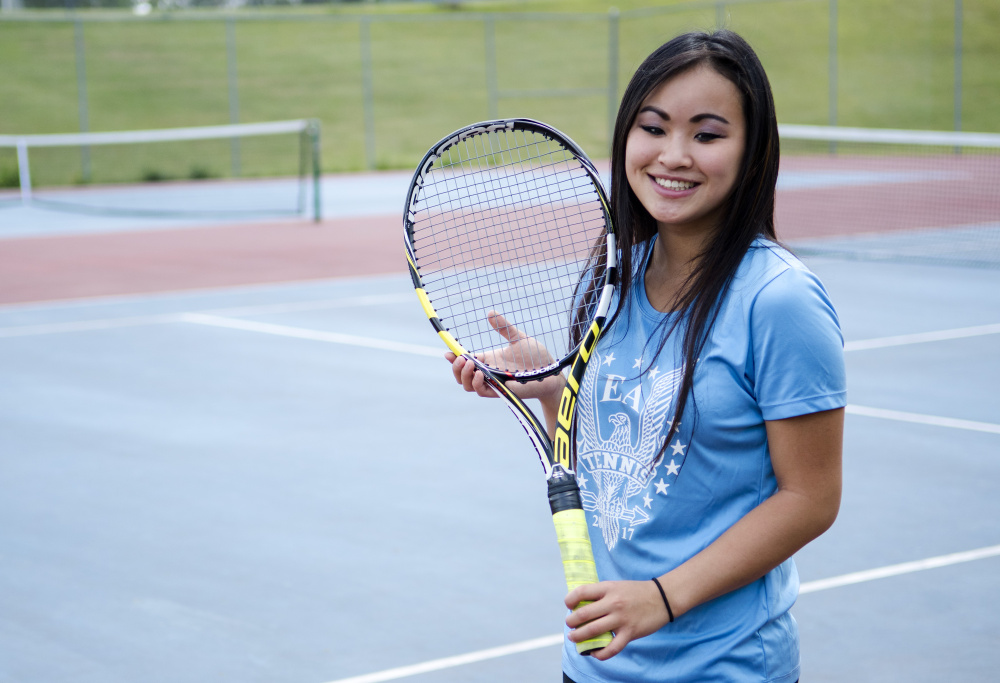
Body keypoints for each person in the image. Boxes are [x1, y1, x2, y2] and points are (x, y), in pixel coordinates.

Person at [447, 29, 845, 683]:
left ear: (751, 151)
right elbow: (606, 464)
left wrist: (661, 597)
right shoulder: (615, 277)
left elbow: (810, 497)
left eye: (708, 134)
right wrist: (550, 387)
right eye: (653, 127)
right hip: (597, 663)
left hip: (726, 668)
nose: (674, 155)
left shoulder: (779, 300)